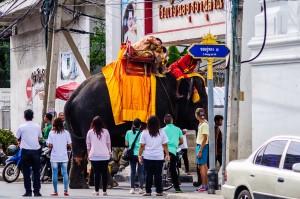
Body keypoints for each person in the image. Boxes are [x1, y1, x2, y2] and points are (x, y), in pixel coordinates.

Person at [138, 115, 169, 196]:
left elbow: (142, 146)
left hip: (148, 156)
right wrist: (167, 155)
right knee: (158, 174)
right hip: (159, 156)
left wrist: (139, 155)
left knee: (148, 174)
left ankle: (148, 191)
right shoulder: (161, 132)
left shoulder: (144, 132)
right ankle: (159, 191)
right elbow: (165, 145)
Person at [15, 109, 42, 197]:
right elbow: (40, 137)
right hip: (35, 151)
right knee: (36, 171)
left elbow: (17, 136)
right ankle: (37, 191)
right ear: (33, 117)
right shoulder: (37, 126)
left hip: (25, 151)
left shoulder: (21, 127)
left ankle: (28, 191)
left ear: (24, 117)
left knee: (26, 172)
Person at [86, 116, 111, 196]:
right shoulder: (106, 131)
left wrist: (89, 154)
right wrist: (109, 152)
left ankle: (96, 191)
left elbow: (88, 145)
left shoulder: (90, 132)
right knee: (104, 173)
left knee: (96, 174)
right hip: (105, 155)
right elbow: (108, 143)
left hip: (94, 155)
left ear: (93, 123)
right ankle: (104, 191)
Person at [47, 117, 72, 196]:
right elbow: (69, 144)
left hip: (54, 157)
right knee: (65, 173)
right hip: (64, 156)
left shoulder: (51, 133)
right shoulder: (66, 133)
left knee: (54, 173)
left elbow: (50, 145)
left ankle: (55, 191)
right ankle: (65, 191)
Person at [162, 114, 183, 193]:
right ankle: (177, 188)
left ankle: (159, 187)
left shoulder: (162, 130)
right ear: (172, 120)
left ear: (164, 121)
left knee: (159, 167)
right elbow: (181, 141)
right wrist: (176, 145)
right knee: (173, 169)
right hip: (173, 151)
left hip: (163, 150)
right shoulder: (178, 129)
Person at [125, 118, 144, 194]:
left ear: (133, 124)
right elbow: (143, 144)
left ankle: (132, 189)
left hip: (132, 154)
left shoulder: (128, 132)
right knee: (140, 172)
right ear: (140, 126)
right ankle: (141, 189)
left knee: (132, 171)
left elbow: (126, 144)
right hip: (141, 154)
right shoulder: (142, 133)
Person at [195, 108, 209, 192]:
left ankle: (204, 185)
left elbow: (205, 138)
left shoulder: (204, 125)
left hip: (202, 146)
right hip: (201, 146)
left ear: (196, 115)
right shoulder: (201, 124)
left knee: (201, 167)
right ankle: (206, 184)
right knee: (204, 166)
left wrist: (200, 150)